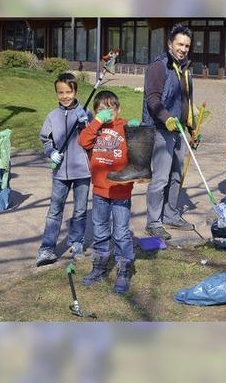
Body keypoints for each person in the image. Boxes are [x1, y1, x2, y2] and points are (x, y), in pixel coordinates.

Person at [78, 91, 141, 294]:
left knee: (121, 232)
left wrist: (136, 131)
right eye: (102, 109)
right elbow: (82, 142)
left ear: (118, 109)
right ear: (96, 112)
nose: (107, 112)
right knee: (100, 230)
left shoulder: (124, 127)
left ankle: (124, 268)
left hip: (121, 190)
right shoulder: (95, 129)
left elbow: (140, 154)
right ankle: (100, 266)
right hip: (100, 190)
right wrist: (96, 122)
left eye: (111, 107)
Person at [142, 24, 197, 241]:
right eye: (180, 44)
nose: (183, 49)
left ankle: (170, 214)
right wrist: (167, 119)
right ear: (170, 44)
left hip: (180, 130)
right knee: (161, 178)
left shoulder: (185, 69)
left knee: (176, 176)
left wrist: (191, 128)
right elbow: (152, 99)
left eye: (187, 46)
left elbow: (186, 102)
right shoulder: (159, 67)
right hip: (161, 130)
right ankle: (153, 222)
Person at [35, 72, 92, 267]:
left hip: (83, 171)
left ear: (76, 91)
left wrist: (86, 124)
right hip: (60, 172)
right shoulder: (52, 116)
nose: (65, 96)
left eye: (69, 92)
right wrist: (50, 152)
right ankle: (47, 248)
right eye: (61, 92)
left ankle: (76, 243)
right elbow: (45, 139)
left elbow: (92, 139)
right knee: (54, 210)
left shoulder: (84, 113)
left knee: (80, 210)